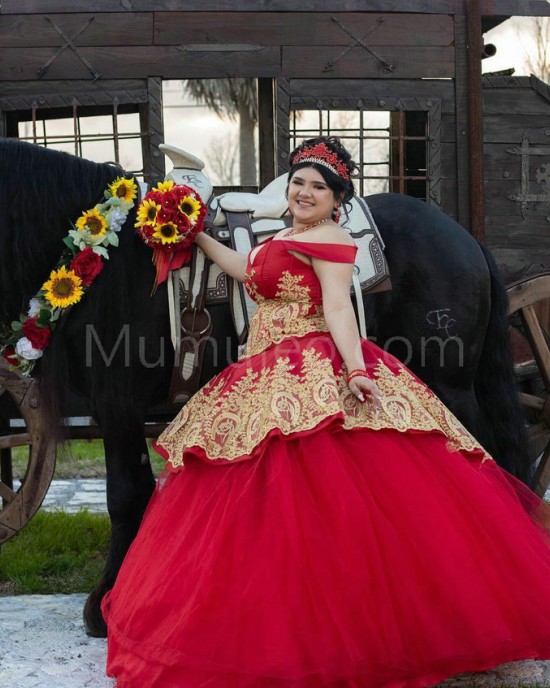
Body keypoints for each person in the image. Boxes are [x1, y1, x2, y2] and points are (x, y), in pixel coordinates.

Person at [102, 136, 550, 688]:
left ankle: (359, 630)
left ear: (337, 200)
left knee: (327, 497)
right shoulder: (285, 236)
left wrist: (357, 369)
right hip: (264, 369)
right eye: (299, 183)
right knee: (254, 497)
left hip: (311, 363)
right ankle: (265, 616)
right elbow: (247, 270)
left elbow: (338, 304)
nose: (306, 192)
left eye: (319, 187)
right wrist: (195, 235)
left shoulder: (331, 238)